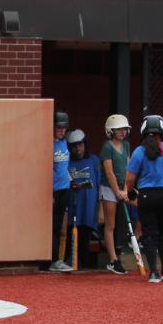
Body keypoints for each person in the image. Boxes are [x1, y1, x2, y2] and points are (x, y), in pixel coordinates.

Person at [124, 115, 163, 284]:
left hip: (146, 196)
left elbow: (130, 178)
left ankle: (153, 272)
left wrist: (130, 193)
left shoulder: (138, 152)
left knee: (149, 233)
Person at [99, 114, 132, 274]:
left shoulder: (126, 145)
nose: (123, 132)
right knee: (110, 224)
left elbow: (127, 168)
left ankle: (137, 240)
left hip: (122, 189)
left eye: (124, 129)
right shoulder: (107, 147)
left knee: (139, 206)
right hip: (109, 189)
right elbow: (109, 172)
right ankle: (113, 260)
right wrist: (117, 191)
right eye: (119, 129)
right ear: (111, 130)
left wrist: (125, 189)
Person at [65, 129, 102, 270]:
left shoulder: (94, 161)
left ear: (85, 144)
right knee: (71, 237)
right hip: (73, 206)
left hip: (89, 207)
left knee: (85, 238)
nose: (78, 149)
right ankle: (71, 263)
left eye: (80, 145)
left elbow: (99, 185)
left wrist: (101, 210)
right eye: (74, 146)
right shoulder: (67, 162)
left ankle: (84, 265)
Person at [48, 110, 73, 272]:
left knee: (60, 226)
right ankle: (53, 260)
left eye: (64, 127)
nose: (61, 130)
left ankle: (58, 259)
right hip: (55, 190)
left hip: (65, 188)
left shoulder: (64, 143)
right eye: (58, 127)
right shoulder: (49, 144)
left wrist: (71, 180)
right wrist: (49, 192)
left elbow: (64, 167)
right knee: (54, 227)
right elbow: (47, 169)